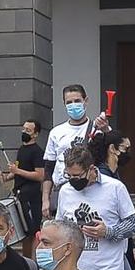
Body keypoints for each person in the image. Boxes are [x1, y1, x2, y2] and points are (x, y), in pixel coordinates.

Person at [52, 144, 135, 270]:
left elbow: (133, 224)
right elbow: (60, 227)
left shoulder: (114, 188)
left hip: (107, 269)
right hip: (76, 269)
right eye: (69, 175)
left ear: (91, 169)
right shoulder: (65, 191)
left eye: (77, 176)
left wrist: (108, 231)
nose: (73, 180)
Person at [42, 83, 96, 211]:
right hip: (61, 189)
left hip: (89, 189)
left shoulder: (97, 129)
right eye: (69, 102)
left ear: (85, 101)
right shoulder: (56, 132)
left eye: (77, 101)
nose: (73, 105)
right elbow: (48, 169)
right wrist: (45, 199)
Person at [7, 116, 48, 256]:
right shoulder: (21, 149)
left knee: (33, 230)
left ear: (35, 134)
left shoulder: (37, 151)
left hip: (31, 196)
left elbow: (40, 175)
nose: (24, 132)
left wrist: (17, 171)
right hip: (20, 195)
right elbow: (20, 169)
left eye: (28, 130)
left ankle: (33, 262)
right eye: (24, 129)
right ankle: (25, 260)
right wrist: (8, 176)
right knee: (24, 232)